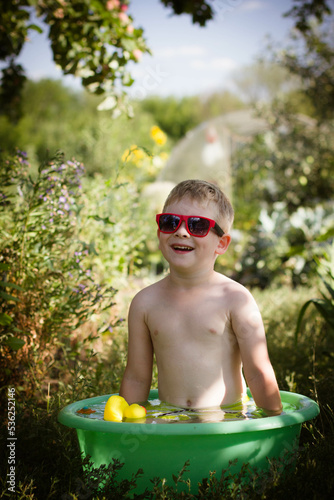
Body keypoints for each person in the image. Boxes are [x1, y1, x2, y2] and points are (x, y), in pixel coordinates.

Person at [120, 179, 282, 416]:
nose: (181, 231)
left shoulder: (235, 299)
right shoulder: (145, 303)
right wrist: (122, 429)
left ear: (222, 243)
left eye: (197, 225)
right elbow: (136, 378)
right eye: (170, 222)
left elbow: (258, 371)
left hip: (228, 420)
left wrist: (275, 424)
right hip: (170, 417)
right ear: (159, 232)